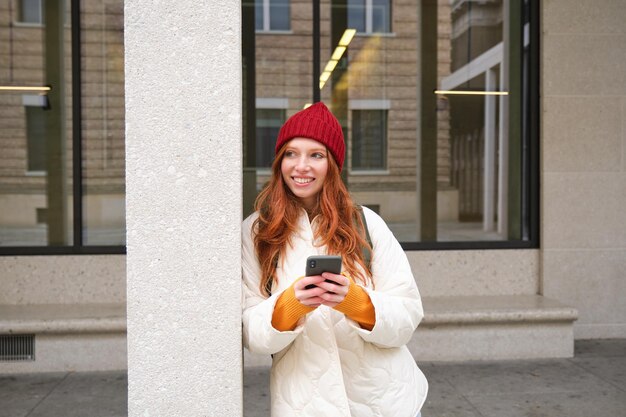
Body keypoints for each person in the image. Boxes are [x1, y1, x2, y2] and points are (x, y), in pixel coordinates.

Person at [242, 102, 427, 417]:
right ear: (279, 161)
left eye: (316, 155)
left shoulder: (366, 223)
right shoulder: (256, 231)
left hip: (385, 402)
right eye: (291, 153)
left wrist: (355, 302)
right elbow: (250, 333)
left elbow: (408, 316)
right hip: (303, 405)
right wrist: (291, 306)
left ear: (333, 164)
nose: (301, 166)